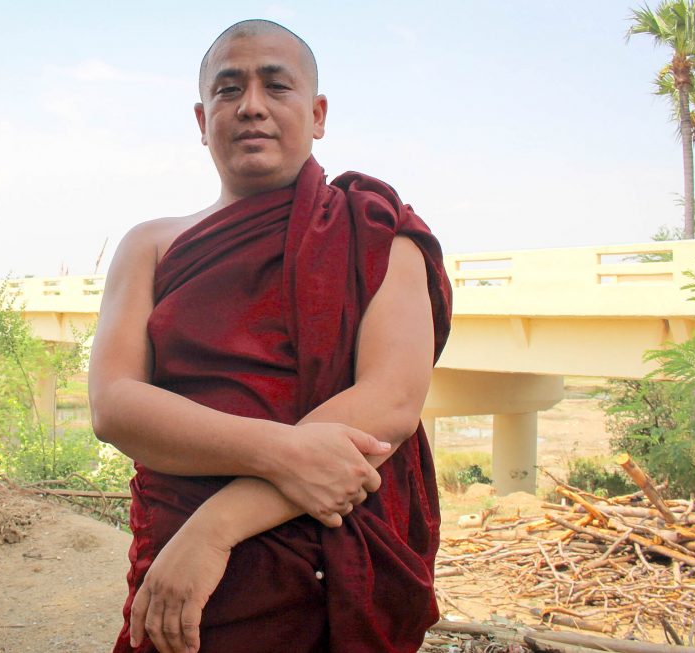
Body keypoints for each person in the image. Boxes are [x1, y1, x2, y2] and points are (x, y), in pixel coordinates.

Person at [89, 18, 452, 653]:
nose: (251, 106)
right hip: (175, 560)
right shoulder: (150, 244)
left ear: (317, 114)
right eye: (229, 90)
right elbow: (115, 404)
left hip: (320, 558)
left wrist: (215, 529)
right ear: (202, 121)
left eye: (276, 87)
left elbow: (390, 403)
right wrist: (282, 454)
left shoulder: (377, 232)